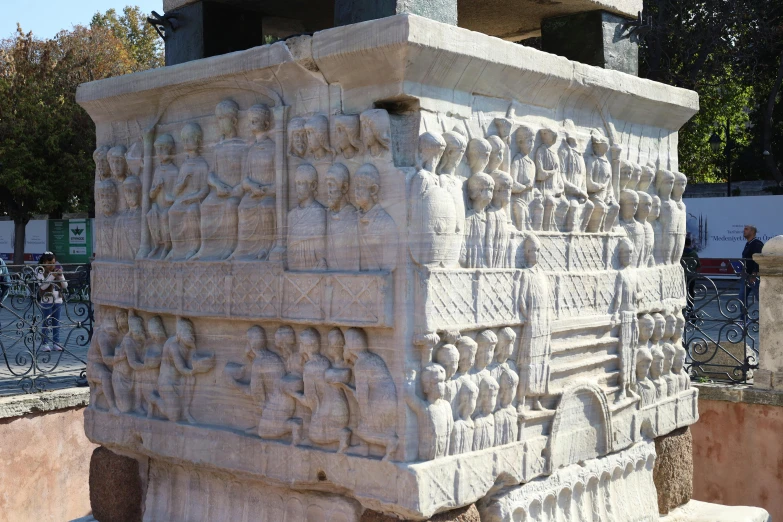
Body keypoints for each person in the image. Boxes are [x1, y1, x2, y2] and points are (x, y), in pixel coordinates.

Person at [37, 252, 68, 351]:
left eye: (53, 263)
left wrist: (61, 275)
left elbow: (65, 286)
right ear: (44, 262)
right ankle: (45, 344)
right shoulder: (40, 270)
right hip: (47, 300)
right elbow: (43, 286)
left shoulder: (56, 270)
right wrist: (51, 276)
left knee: (56, 322)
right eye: (49, 263)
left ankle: (56, 343)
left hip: (58, 299)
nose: (52, 266)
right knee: (46, 322)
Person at [740, 224, 764, 306]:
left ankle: (767, 317)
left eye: (746, 229)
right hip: (746, 276)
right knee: (742, 297)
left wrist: (754, 274)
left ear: (752, 231)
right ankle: (744, 318)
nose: (744, 231)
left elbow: (759, 259)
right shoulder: (748, 244)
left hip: (754, 277)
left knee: (760, 297)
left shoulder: (757, 243)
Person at [681, 235, 700, 315]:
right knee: (691, 292)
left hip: (681, 276)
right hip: (691, 276)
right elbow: (698, 265)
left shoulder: (681, 253)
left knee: (682, 292)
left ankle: (682, 309)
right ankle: (691, 307)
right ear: (690, 244)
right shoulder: (694, 253)